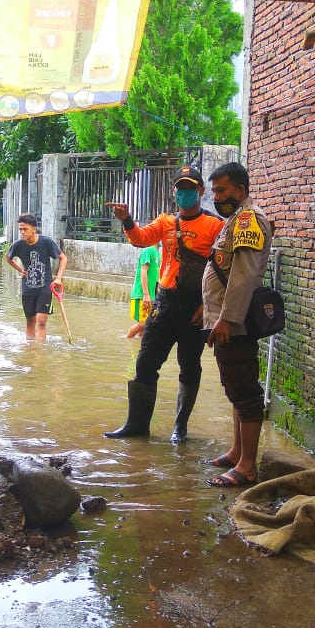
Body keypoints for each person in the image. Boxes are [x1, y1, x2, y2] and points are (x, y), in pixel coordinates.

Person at [103, 165, 224, 444]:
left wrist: (208, 307)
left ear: (200, 191)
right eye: (180, 189)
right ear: (174, 192)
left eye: (190, 188)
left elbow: (223, 271)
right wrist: (127, 220)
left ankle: (180, 428)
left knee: (189, 365)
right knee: (145, 362)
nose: (184, 193)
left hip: (196, 306)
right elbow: (140, 239)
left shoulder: (215, 226)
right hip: (165, 302)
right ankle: (137, 426)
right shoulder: (165, 222)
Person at [200, 162, 273, 488]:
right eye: (214, 191)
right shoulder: (234, 221)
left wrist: (227, 319)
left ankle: (246, 467)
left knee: (245, 393)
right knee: (235, 390)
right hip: (225, 321)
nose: (216, 197)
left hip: (234, 324)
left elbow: (244, 275)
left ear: (240, 190)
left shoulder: (248, 220)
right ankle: (236, 452)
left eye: (221, 190)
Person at [4, 213, 67, 341]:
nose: (22, 232)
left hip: (45, 288)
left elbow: (63, 258)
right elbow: (7, 258)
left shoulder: (46, 242)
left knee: (41, 322)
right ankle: (30, 350)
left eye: (25, 229)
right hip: (27, 288)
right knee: (30, 322)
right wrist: (20, 270)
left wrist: (58, 278)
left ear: (34, 229)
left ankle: (39, 354)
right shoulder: (18, 245)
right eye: (20, 229)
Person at [126, 242, 161, 338]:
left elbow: (156, 277)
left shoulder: (158, 253)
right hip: (142, 294)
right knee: (145, 323)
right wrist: (146, 294)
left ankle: (136, 346)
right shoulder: (148, 250)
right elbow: (143, 270)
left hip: (151, 295)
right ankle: (126, 339)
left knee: (144, 327)